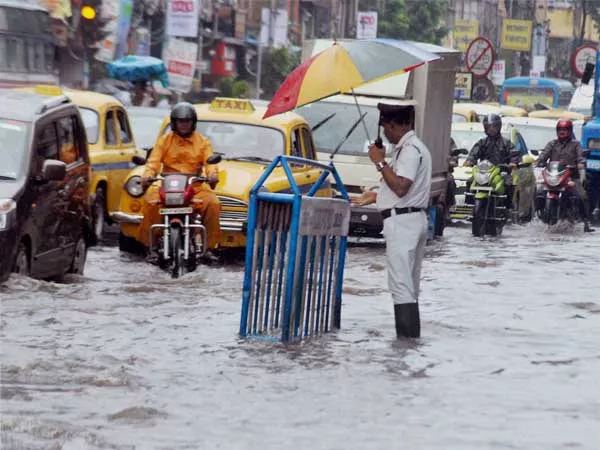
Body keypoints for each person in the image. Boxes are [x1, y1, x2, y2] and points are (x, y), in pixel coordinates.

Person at [351, 104, 431, 339]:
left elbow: (401, 187)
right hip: (410, 219)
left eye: (386, 128)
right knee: (409, 287)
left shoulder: (409, 150)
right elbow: (403, 188)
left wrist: (379, 162)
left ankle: (405, 346)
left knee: (401, 287)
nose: (385, 133)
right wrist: (376, 195)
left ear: (395, 125)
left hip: (403, 223)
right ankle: (410, 346)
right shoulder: (411, 148)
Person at [138, 102, 222, 261]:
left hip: (195, 186)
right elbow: (153, 162)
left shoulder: (203, 141)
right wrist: (148, 175)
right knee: (150, 202)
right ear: (174, 123)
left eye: (187, 121)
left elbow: (210, 163)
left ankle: (209, 247)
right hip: (168, 185)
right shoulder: (164, 141)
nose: (184, 124)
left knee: (213, 204)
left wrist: (212, 175)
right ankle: (152, 246)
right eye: (180, 121)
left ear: (193, 122)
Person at [535, 118, 595, 232]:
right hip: (553, 177)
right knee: (538, 192)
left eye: (565, 130)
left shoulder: (576, 144)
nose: (562, 132)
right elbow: (543, 155)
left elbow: (580, 156)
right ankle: (537, 215)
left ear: (570, 131)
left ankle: (586, 223)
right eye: (560, 130)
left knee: (582, 196)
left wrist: (581, 163)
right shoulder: (552, 143)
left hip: (571, 176)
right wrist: (538, 161)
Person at [463, 113, 521, 209]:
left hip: (501, 173)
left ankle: (509, 208)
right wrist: (469, 161)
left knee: (509, 184)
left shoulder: (506, 143)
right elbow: (474, 153)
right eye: (488, 126)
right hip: (484, 173)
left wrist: (513, 162)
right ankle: (469, 206)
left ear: (499, 127)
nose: (491, 129)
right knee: (470, 181)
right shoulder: (482, 142)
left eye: (494, 126)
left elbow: (514, 154)